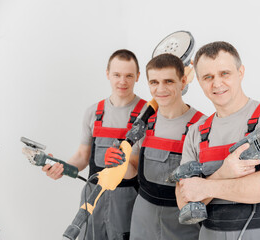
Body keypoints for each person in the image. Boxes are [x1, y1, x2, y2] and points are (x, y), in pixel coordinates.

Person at [176, 41, 260, 240]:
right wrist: (223, 173)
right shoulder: (197, 133)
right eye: (208, 77)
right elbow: (184, 201)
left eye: (225, 73)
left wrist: (205, 187)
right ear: (198, 81)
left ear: (240, 72)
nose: (217, 83)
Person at [42, 49, 146, 240]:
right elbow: (82, 156)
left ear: (138, 76)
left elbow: (139, 166)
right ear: (107, 74)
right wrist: (61, 167)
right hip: (92, 198)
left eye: (129, 75)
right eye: (117, 75)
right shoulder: (94, 112)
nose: (122, 81)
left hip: (127, 199)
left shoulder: (146, 115)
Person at [106, 53, 203, 240]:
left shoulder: (201, 126)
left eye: (168, 81)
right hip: (143, 215)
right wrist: (120, 163)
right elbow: (133, 170)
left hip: (182, 220)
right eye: (154, 82)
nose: (160, 89)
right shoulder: (144, 123)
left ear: (183, 82)